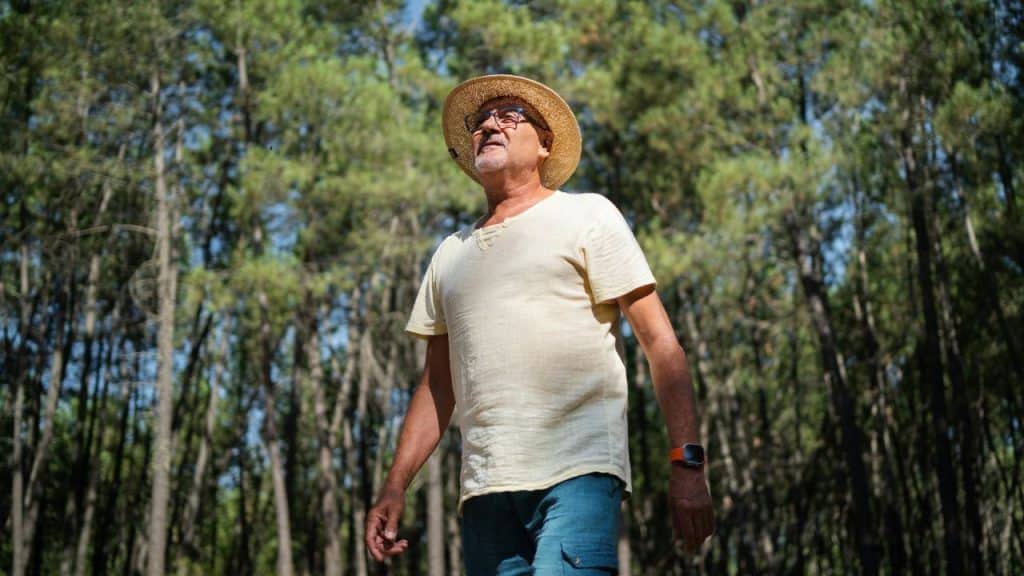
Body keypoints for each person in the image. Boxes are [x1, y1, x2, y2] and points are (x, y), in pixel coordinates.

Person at [366, 74, 714, 574]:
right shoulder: (450, 255)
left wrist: (688, 464)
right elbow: (437, 385)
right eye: (480, 120)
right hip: (485, 491)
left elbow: (661, 345)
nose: (489, 124)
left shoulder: (586, 215)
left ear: (545, 143)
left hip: (578, 474)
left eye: (510, 115)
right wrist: (395, 485)